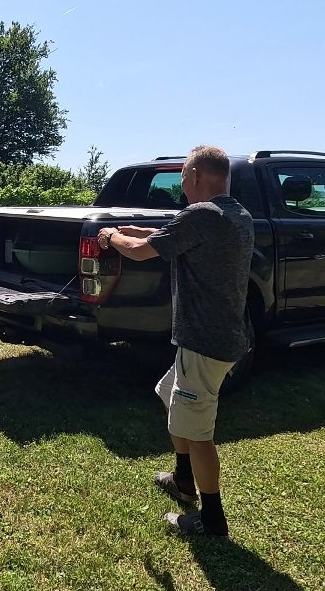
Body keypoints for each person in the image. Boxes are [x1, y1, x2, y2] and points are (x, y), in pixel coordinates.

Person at [96, 145, 253, 538]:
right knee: (168, 393)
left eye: (182, 174)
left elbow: (142, 252)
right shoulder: (233, 214)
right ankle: (183, 480)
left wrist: (113, 235)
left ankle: (212, 519)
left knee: (199, 433)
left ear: (197, 175)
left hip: (205, 343)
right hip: (218, 339)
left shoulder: (201, 214)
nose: (181, 182)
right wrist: (133, 230)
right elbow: (172, 236)